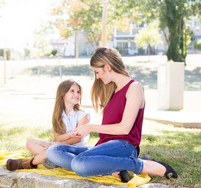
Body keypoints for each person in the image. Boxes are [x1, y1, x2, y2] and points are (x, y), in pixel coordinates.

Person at [46, 47, 178, 181]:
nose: (97, 76)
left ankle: (142, 164)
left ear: (107, 67)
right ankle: (113, 170)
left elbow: (124, 128)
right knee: (53, 151)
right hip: (104, 147)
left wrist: (90, 127)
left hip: (124, 145)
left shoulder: (134, 87)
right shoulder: (112, 92)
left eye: (97, 72)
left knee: (78, 163)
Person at [6, 79, 90, 171]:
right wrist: (63, 139)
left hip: (75, 149)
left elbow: (77, 138)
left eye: (78, 92)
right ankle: (53, 160)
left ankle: (26, 163)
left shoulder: (82, 115)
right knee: (30, 142)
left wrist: (58, 145)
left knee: (53, 150)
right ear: (63, 94)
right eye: (72, 91)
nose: (77, 94)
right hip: (59, 145)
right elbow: (58, 137)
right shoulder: (58, 114)